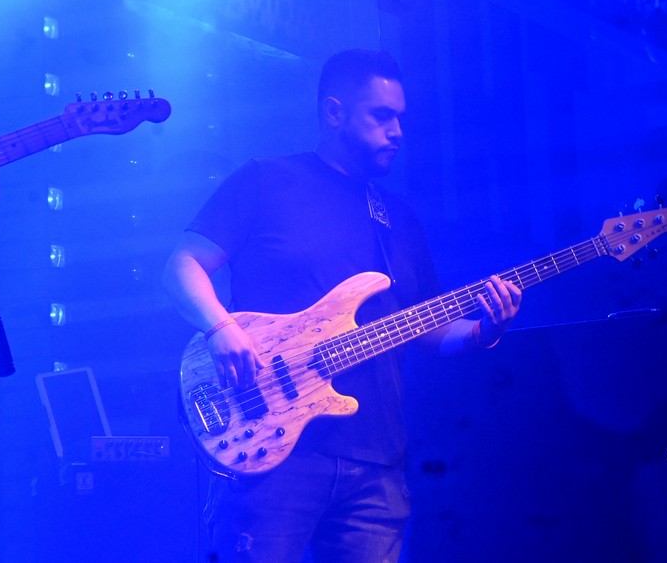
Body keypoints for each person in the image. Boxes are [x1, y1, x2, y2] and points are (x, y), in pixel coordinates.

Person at [161, 49, 522, 563]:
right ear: (334, 112)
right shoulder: (267, 181)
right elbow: (182, 265)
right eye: (382, 116)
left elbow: (428, 327)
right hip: (272, 452)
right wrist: (220, 328)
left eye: (401, 118)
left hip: (376, 463)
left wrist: (485, 330)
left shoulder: (397, 219)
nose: (397, 131)